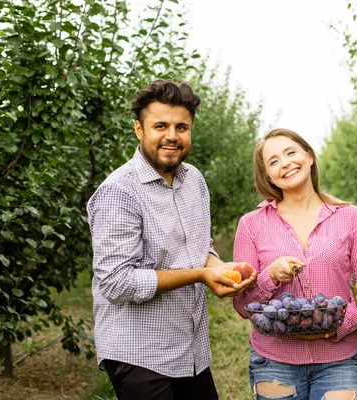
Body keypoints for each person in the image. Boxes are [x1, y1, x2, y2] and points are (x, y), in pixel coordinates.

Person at [87, 79, 256, 400]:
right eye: (160, 126)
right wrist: (201, 275)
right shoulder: (118, 192)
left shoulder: (194, 180)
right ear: (139, 129)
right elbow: (116, 283)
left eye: (182, 127)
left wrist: (219, 268)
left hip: (189, 348)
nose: (172, 136)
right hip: (138, 352)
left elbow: (199, 247)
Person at [232, 128, 357, 400]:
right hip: (275, 359)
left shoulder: (352, 218)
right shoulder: (251, 225)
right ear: (267, 175)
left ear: (309, 156)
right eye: (273, 161)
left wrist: (333, 329)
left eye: (291, 153)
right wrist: (270, 276)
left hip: (339, 358)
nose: (285, 163)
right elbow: (243, 304)